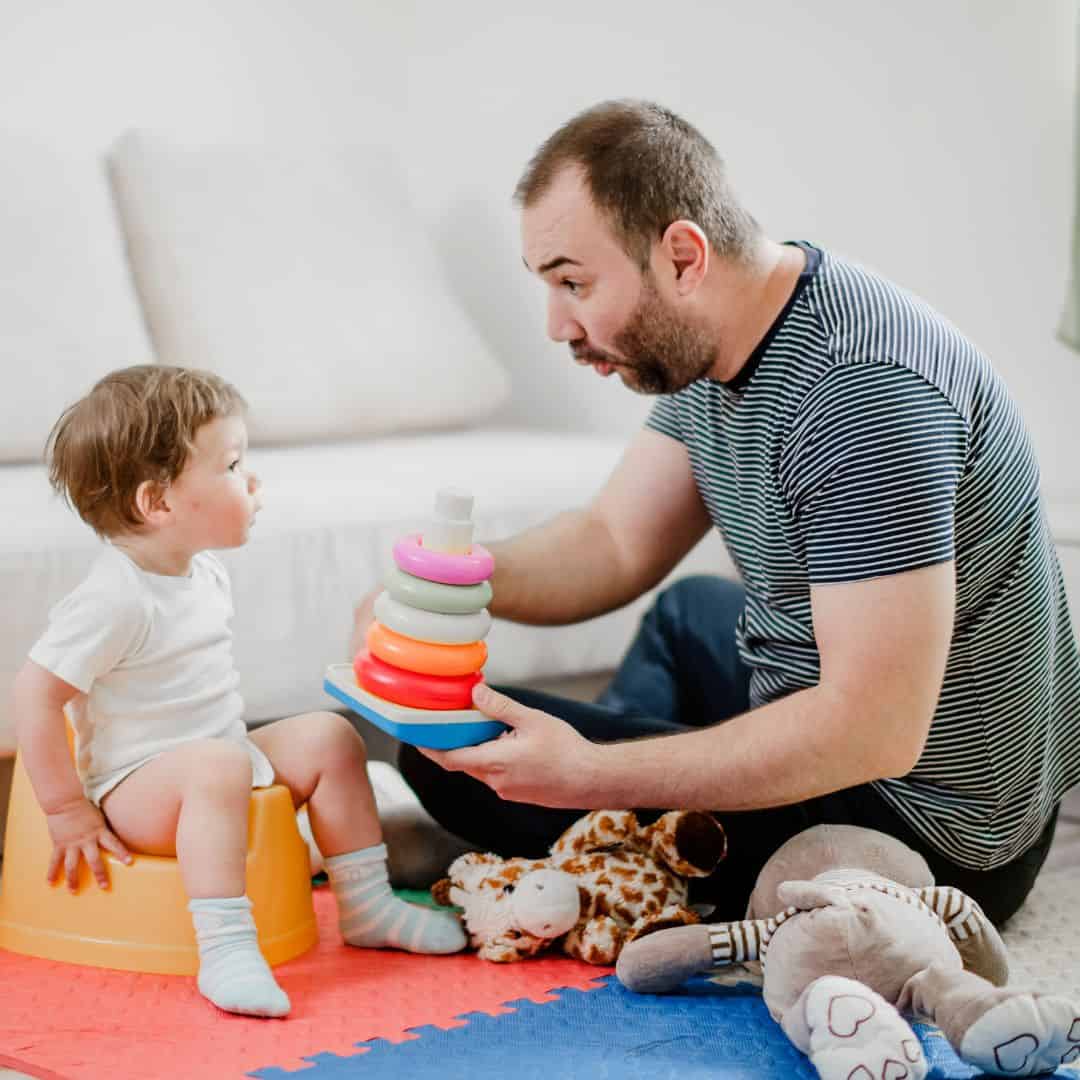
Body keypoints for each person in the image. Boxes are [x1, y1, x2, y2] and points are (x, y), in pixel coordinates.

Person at [353, 99, 1080, 927]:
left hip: (928, 828)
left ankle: (599, 828)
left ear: (684, 257)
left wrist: (595, 773)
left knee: (446, 752)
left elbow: (874, 730)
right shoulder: (730, 334)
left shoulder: (862, 393)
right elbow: (612, 542)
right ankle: (616, 827)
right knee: (684, 613)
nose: (559, 324)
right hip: (838, 716)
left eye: (573, 282)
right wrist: (440, 585)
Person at [13, 365, 465, 1020]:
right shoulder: (113, 598)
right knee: (218, 765)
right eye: (231, 464)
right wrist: (65, 810)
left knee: (332, 736)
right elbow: (35, 692)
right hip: (135, 789)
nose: (251, 481)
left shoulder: (200, 572)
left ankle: (367, 906)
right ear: (159, 504)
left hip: (215, 761)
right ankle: (225, 945)